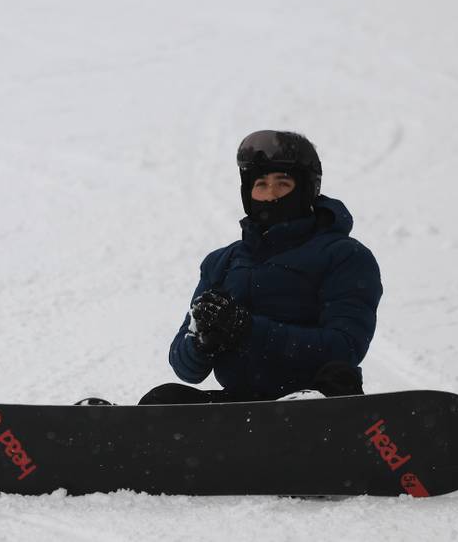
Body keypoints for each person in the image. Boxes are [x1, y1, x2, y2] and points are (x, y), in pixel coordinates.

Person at [139, 130, 383, 405]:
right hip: (244, 406)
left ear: (305, 189)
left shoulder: (344, 255)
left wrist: (249, 330)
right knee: (164, 400)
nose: (270, 195)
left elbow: (345, 347)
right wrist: (203, 341)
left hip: (317, 404)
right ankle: (107, 438)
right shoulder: (223, 262)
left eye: (282, 183)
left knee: (336, 377)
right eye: (261, 185)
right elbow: (185, 368)